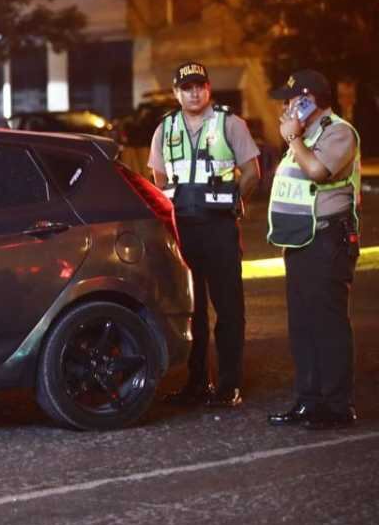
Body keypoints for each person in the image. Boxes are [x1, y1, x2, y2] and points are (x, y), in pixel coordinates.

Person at [149, 62, 260, 408]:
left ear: (209, 88)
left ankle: (229, 385)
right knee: (192, 310)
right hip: (183, 230)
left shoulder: (230, 123)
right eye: (187, 87)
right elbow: (159, 179)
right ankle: (197, 382)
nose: (194, 93)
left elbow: (252, 172)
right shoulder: (165, 128)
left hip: (220, 228)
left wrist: (235, 202)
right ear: (176, 92)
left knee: (228, 308)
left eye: (200, 86)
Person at [265, 69, 362, 430]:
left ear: (309, 100)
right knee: (303, 326)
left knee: (328, 325)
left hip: (328, 240)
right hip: (301, 240)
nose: (286, 108)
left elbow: (318, 172)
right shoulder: (305, 135)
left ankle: (337, 406)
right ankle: (309, 401)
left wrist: (293, 139)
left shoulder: (339, 132)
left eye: (291, 100)